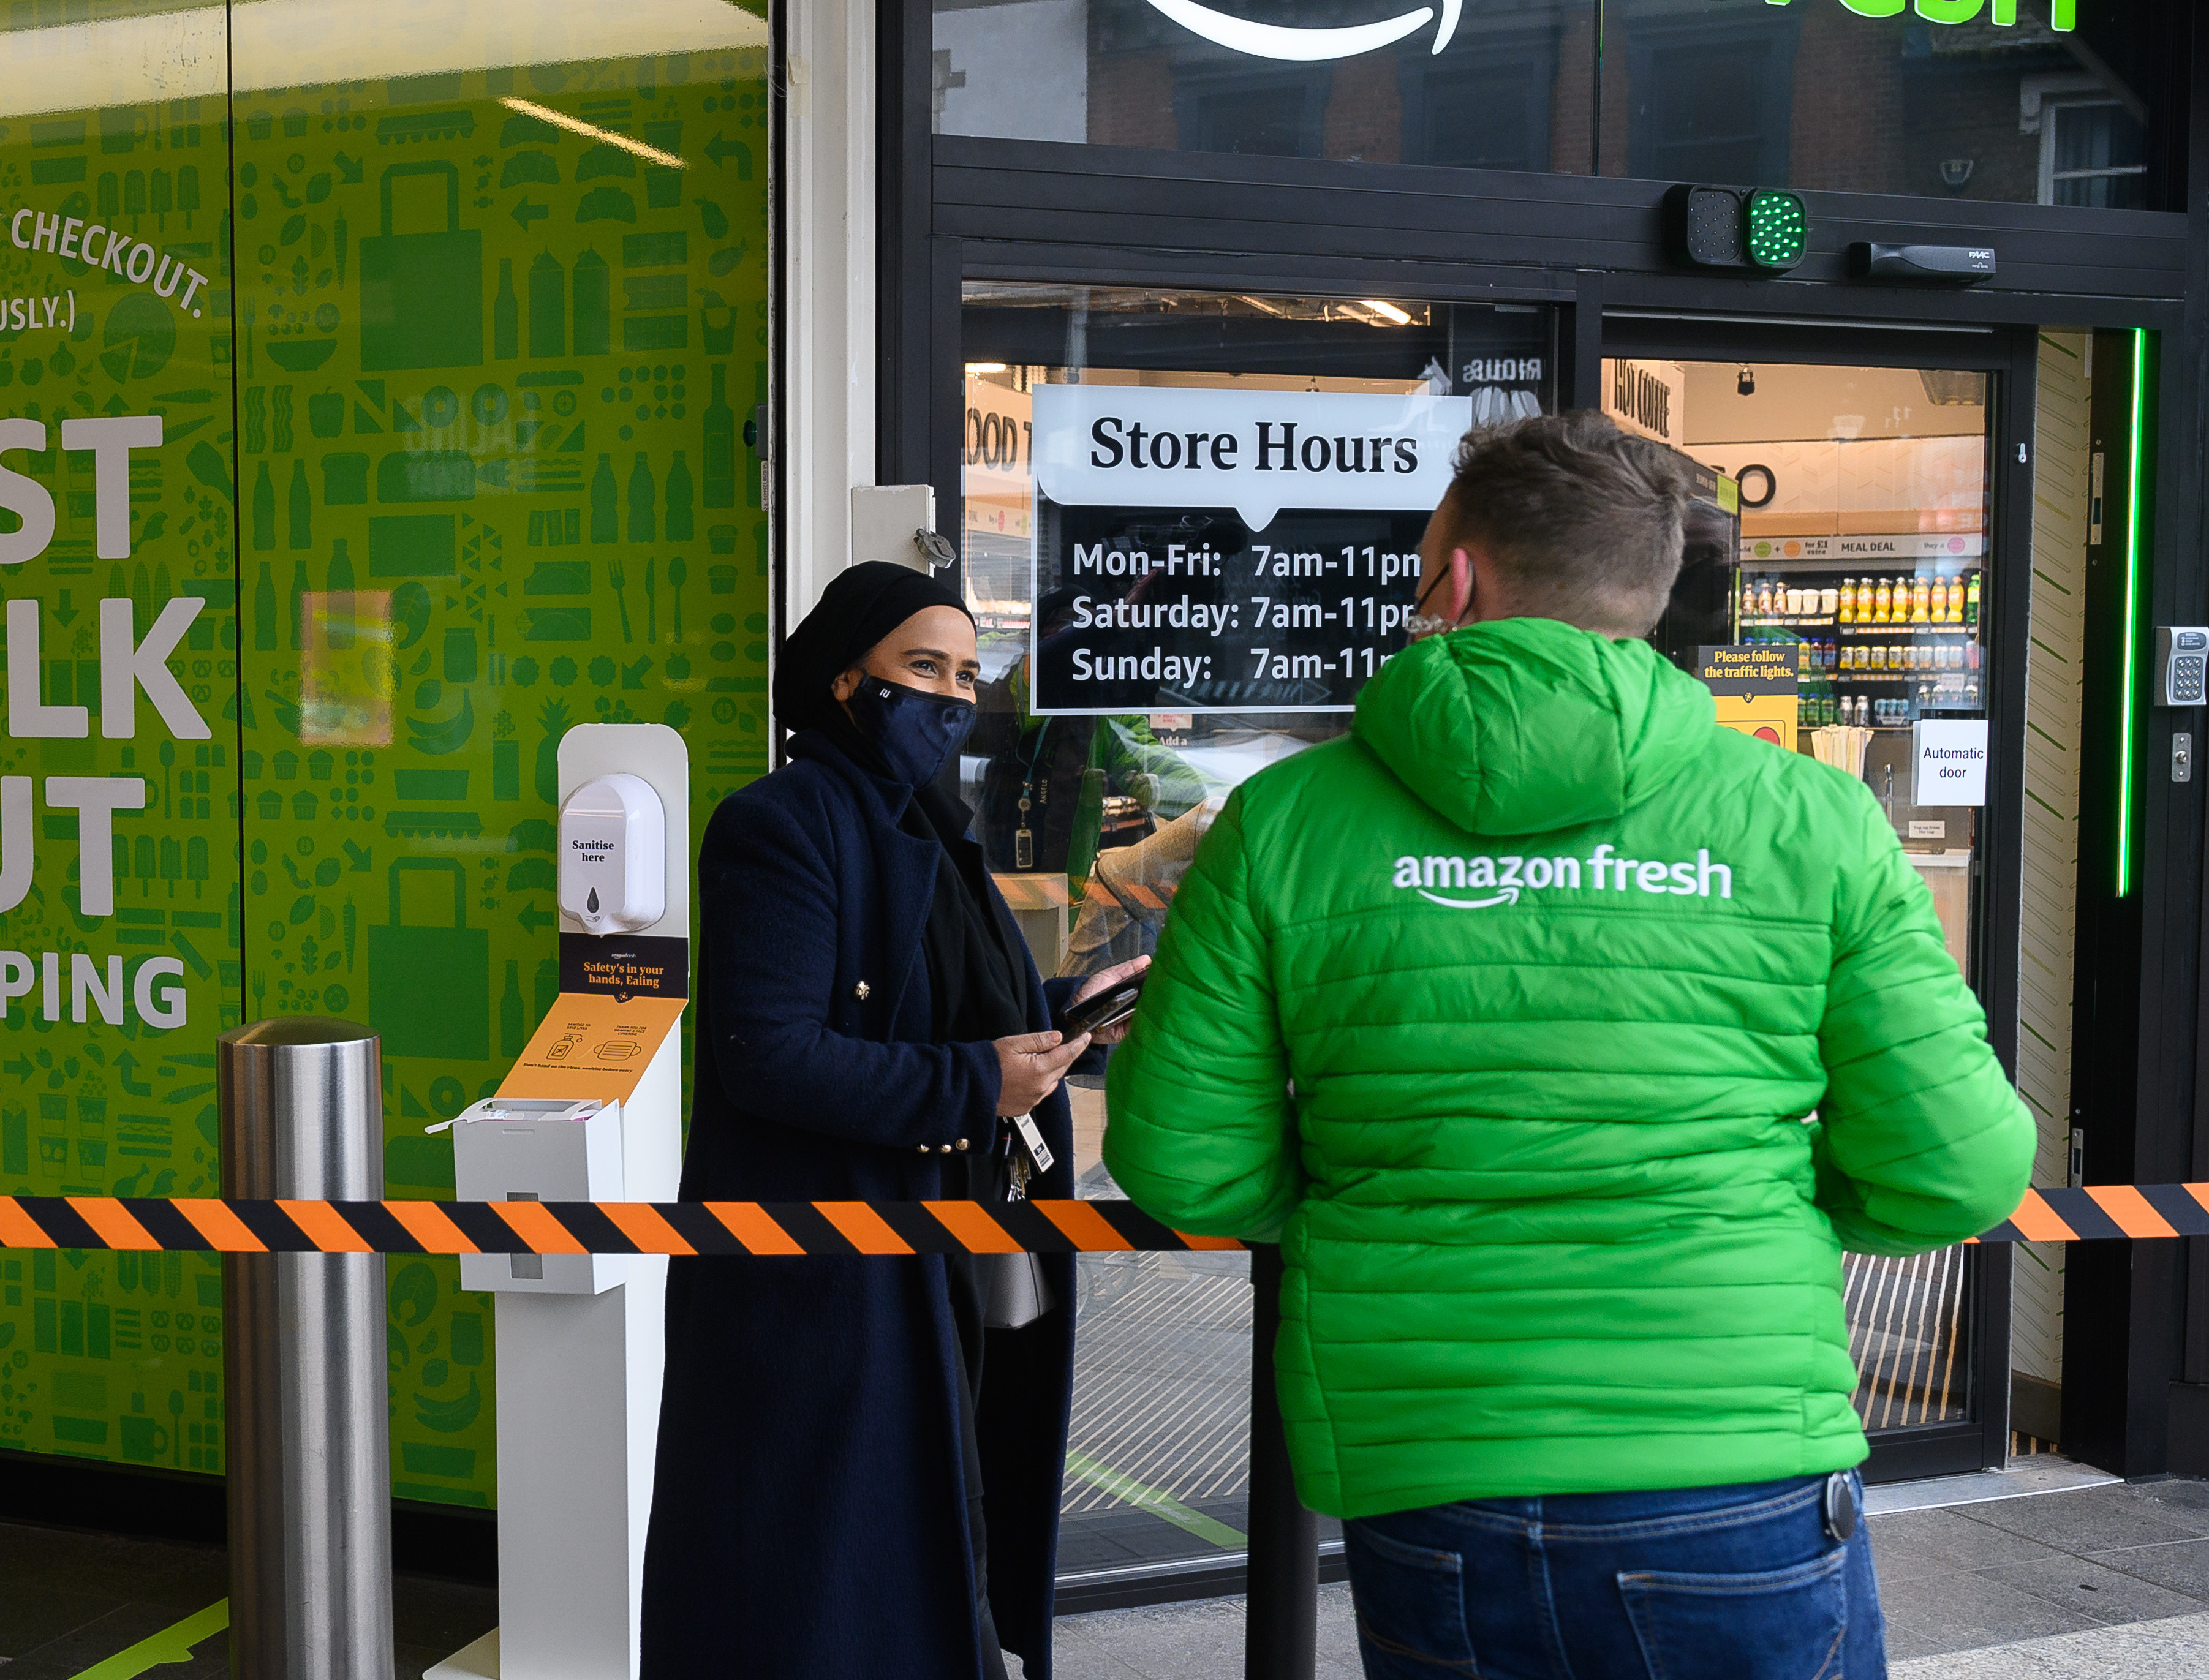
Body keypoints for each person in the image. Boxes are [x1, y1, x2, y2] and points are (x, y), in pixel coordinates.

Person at [1102, 412, 2033, 1680]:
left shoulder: (1282, 821)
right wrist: (1767, 1207)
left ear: (1460, 578)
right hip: (1735, 1450)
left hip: (1429, 1462)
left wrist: (1366, 1202)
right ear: (1647, 595)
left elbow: (1180, 1156)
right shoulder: (1806, 814)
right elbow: (1959, 1168)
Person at [642, 560, 1144, 1680]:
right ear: (839, 683)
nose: (952, 699)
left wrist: (1067, 1019)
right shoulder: (779, 825)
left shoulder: (936, 831)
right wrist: (978, 1083)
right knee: (817, 1582)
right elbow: (768, 1055)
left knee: (926, 1547)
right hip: (825, 1277)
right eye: (923, 669)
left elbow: (959, 1014)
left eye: (967, 673)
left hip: (935, 1255)